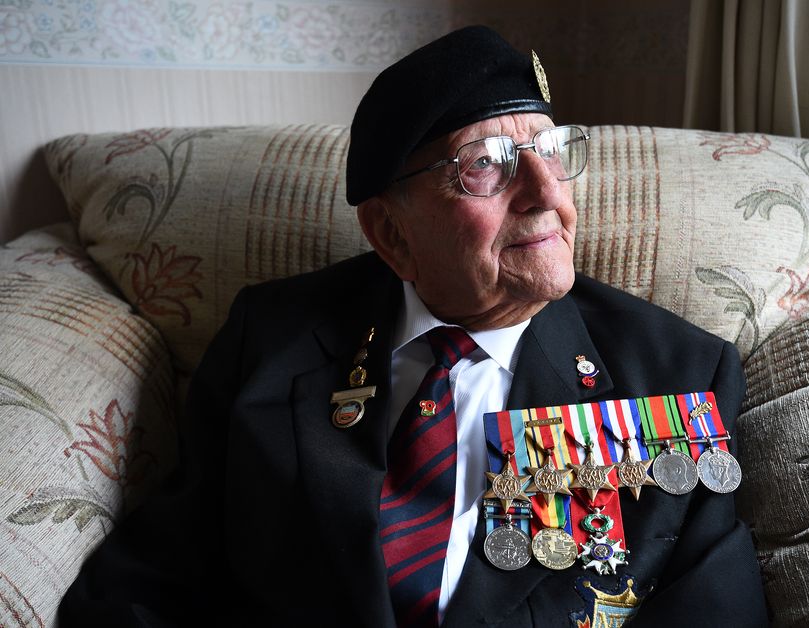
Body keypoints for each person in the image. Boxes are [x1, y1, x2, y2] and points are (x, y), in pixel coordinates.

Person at [59, 25, 768, 627]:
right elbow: (153, 583)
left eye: (552, 150)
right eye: (485, 166)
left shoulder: (679, 374)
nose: (548, 194)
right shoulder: (269, 338)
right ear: (392, 234)